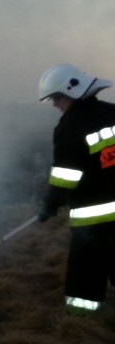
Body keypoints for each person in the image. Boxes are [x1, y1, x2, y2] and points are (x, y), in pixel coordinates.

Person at [37, 63, 115, 315]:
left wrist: (50, 206)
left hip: (93, 215)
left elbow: (65, 176)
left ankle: (82, 319)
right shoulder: (112, 112)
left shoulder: (70, 126)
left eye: (57, 98)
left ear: (72, 91)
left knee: (87, 268)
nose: (55, 104)